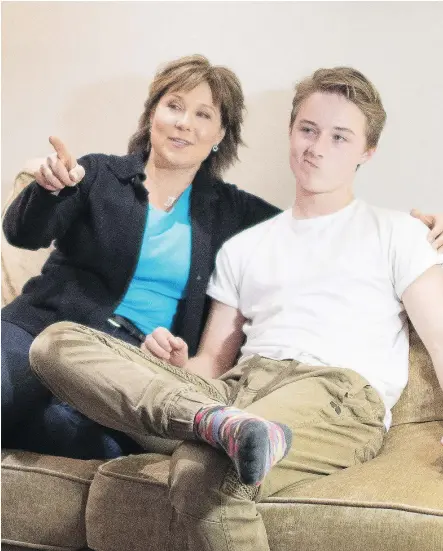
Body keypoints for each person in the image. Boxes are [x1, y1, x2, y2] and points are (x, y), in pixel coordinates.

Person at [29, 66, 443, 551]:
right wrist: (177, 364)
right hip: (232, 391)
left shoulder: (399, 233)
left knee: (205, 468)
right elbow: (211, 363)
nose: (316, 147)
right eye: (307, 129)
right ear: (291, 132)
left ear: (366, 152)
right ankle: (214, 423)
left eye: (339, 137)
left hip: (333, 393)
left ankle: (223, 430)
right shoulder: (247, 246)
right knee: (55, 342)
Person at [1, 54, 281, 457]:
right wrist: (48, 190)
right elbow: (22, 234)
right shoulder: (97, 174)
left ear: (221, 134)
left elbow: (311, 229)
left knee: (84, 437)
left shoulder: (233, 213)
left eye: (203, 114)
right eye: (175, 106)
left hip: (126, 362)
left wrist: (404, 230)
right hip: (39, 328)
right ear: (153, 114)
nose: (185, 122)